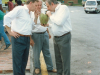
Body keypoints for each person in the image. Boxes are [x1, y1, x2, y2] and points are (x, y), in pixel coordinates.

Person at [4, 0, 38, 75]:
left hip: (26, 39)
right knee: (17, 63)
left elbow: (31, 28)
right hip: (18, 38)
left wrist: (35, 18)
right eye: (35, 5)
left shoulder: (30, 13)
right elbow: (6, 17)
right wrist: (10, 32)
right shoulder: (20, 9)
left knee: (24, 62)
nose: (36, 7)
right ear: (30, 3)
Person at [45, 0, 72, 75]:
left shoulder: (63, 8)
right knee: (58, 59)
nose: (47, 8)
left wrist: (50, 15)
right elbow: (55, 24)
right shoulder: (55, 12)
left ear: (52, 4)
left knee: (65, 60)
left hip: (64, 37)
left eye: (48, 6)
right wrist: (48, 25)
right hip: (56, 38)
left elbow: (60, 22)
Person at [31, 0, 57, 74]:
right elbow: (30, 26)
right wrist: (30, 38)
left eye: (40, 5)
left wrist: (48, 32)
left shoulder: (44, 12)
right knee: (36, 53)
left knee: (47, 52)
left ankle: (50, 67)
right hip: (36, 35)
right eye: (37, 5)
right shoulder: (32, 13)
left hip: (44, 33)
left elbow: (45, 23)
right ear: (34, 5)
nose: (39, 6)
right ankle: (37, 67)